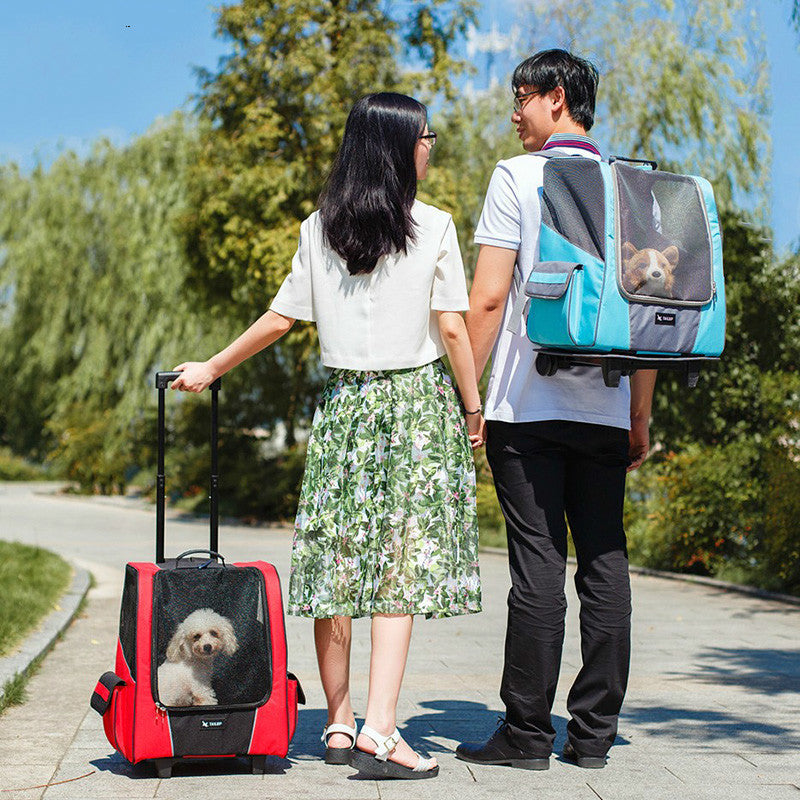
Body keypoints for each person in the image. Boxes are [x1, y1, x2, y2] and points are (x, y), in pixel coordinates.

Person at [172, 92, 483, 781]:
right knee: (397, 570)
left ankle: (339, 724)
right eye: (425, 137)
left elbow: (280, 320)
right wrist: (474, 409)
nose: (431, 146)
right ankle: (380, 729)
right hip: (415, 413)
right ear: (400, 146)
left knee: (335, 565)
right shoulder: (433, 226)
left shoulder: (321, 229)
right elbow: (455, 328)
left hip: (344, 409)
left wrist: (212, 366)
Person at [455, 50, 657, 771]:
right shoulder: (628, 185)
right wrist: (638, 416)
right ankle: (595, 736)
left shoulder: (519, 175)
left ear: (555, 98)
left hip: (527, 404)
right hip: (604, 408)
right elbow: (647, 316)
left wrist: (468, 399)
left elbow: (485, 299)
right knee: (605, 563)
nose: (514, 113)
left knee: (538, 565)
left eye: (521, 98)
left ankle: (527, 735)